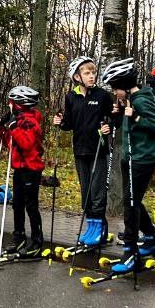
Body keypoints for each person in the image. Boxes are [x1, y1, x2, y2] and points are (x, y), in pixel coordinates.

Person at [104, 58, 155, 273]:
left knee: (130, 205)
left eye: (115, 88)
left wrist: (137, 117)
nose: (114, 92)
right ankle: (152, 239)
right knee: (133, 201)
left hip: (142, 158)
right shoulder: (130, 100)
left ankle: (131, 254)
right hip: (131, 157)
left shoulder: (141, 101)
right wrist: (119, 114)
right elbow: (129, 128)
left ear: (124, 84)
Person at [54, 55, 111, 247]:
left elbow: (113, 118)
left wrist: (109, 127)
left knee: (97, 192)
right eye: (87, 73)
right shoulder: (71, 97)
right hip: (80, 150)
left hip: (98, 150)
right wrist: (60, 122)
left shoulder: (102, 96)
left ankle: (100, 230)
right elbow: (69, 123)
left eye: (93, 72)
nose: (92, 76)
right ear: (77, 77)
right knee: (86, 192)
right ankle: (91, 227)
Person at [0, 85, 45, 256]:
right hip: (19, 167)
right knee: (17, 204)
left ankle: (37, 241)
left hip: (31, 169)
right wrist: (2, 128)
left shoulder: (29, 121)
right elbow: (10, 143)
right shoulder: (18, 120)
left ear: (18, 104)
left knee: (31, 206)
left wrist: (14, 127)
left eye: (11, 102)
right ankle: (19, 236)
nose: (9, 105)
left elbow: (26, 144)